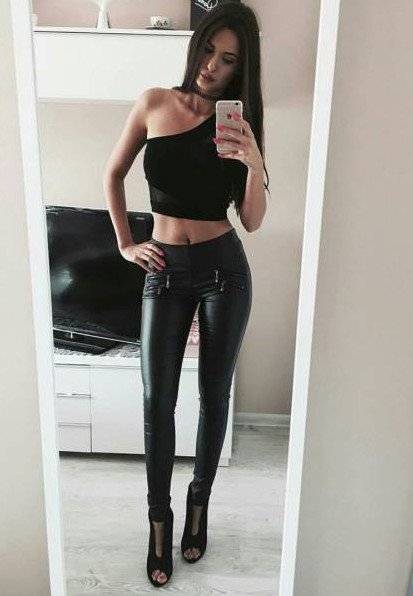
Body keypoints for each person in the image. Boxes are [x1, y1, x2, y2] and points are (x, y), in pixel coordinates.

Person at [103, 1, 269, 587]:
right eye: (208, 50)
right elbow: (113, 174)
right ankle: (159, 520)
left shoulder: (240, 124)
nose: (212, 66)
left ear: (241, 69)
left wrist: (254, 162)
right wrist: (126, 244)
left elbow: (252, 220)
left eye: (228, 60)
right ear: (195, 46)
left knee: (214, 397)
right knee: (157, 402)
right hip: (165, 268)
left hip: (225, 270)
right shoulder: (153, 103)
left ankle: (199, 504)